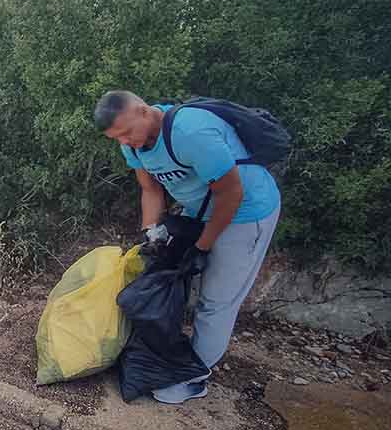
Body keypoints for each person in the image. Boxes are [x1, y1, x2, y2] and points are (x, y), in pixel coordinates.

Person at [94, 90, 281, 404]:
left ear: (143, 111)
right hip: (199, 212)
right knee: (171, 282)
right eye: (117, 138)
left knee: (216, 302)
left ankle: (194, 376)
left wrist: (203, 246)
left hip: (246, 214)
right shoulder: (136, 146)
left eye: (126, 133)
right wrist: (151, 233)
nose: (124, 143)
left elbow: (230, 195)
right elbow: (150, 188)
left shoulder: (190, 133)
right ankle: (175, 356)